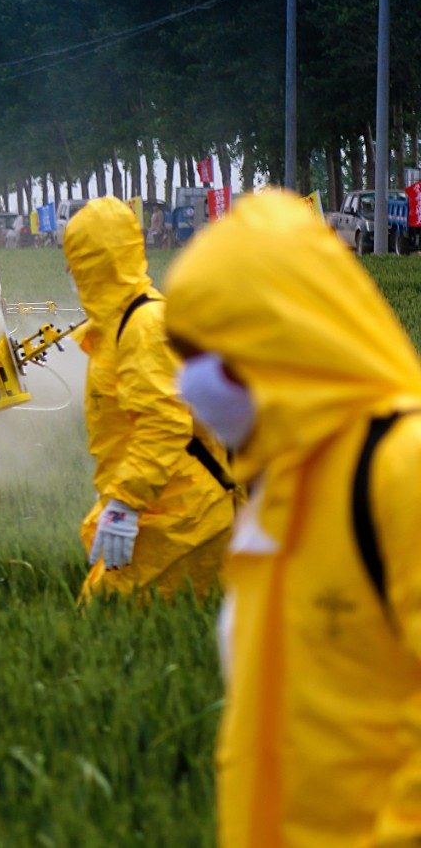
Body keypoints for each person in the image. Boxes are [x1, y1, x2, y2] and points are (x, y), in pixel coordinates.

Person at [164, 190, 421, 847]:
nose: (187, 383)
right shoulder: (277, 489)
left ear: (280, 339)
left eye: (206, 356)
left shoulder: (401, 468)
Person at [64, 196, 232, 601]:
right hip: (162, 504)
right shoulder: (116, 326)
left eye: (75, 260)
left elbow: (165, 423)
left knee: (107, 622)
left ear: (94, 263)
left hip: (184, 516)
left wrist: (125, 500)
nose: (70, 272)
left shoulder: (143, 326)